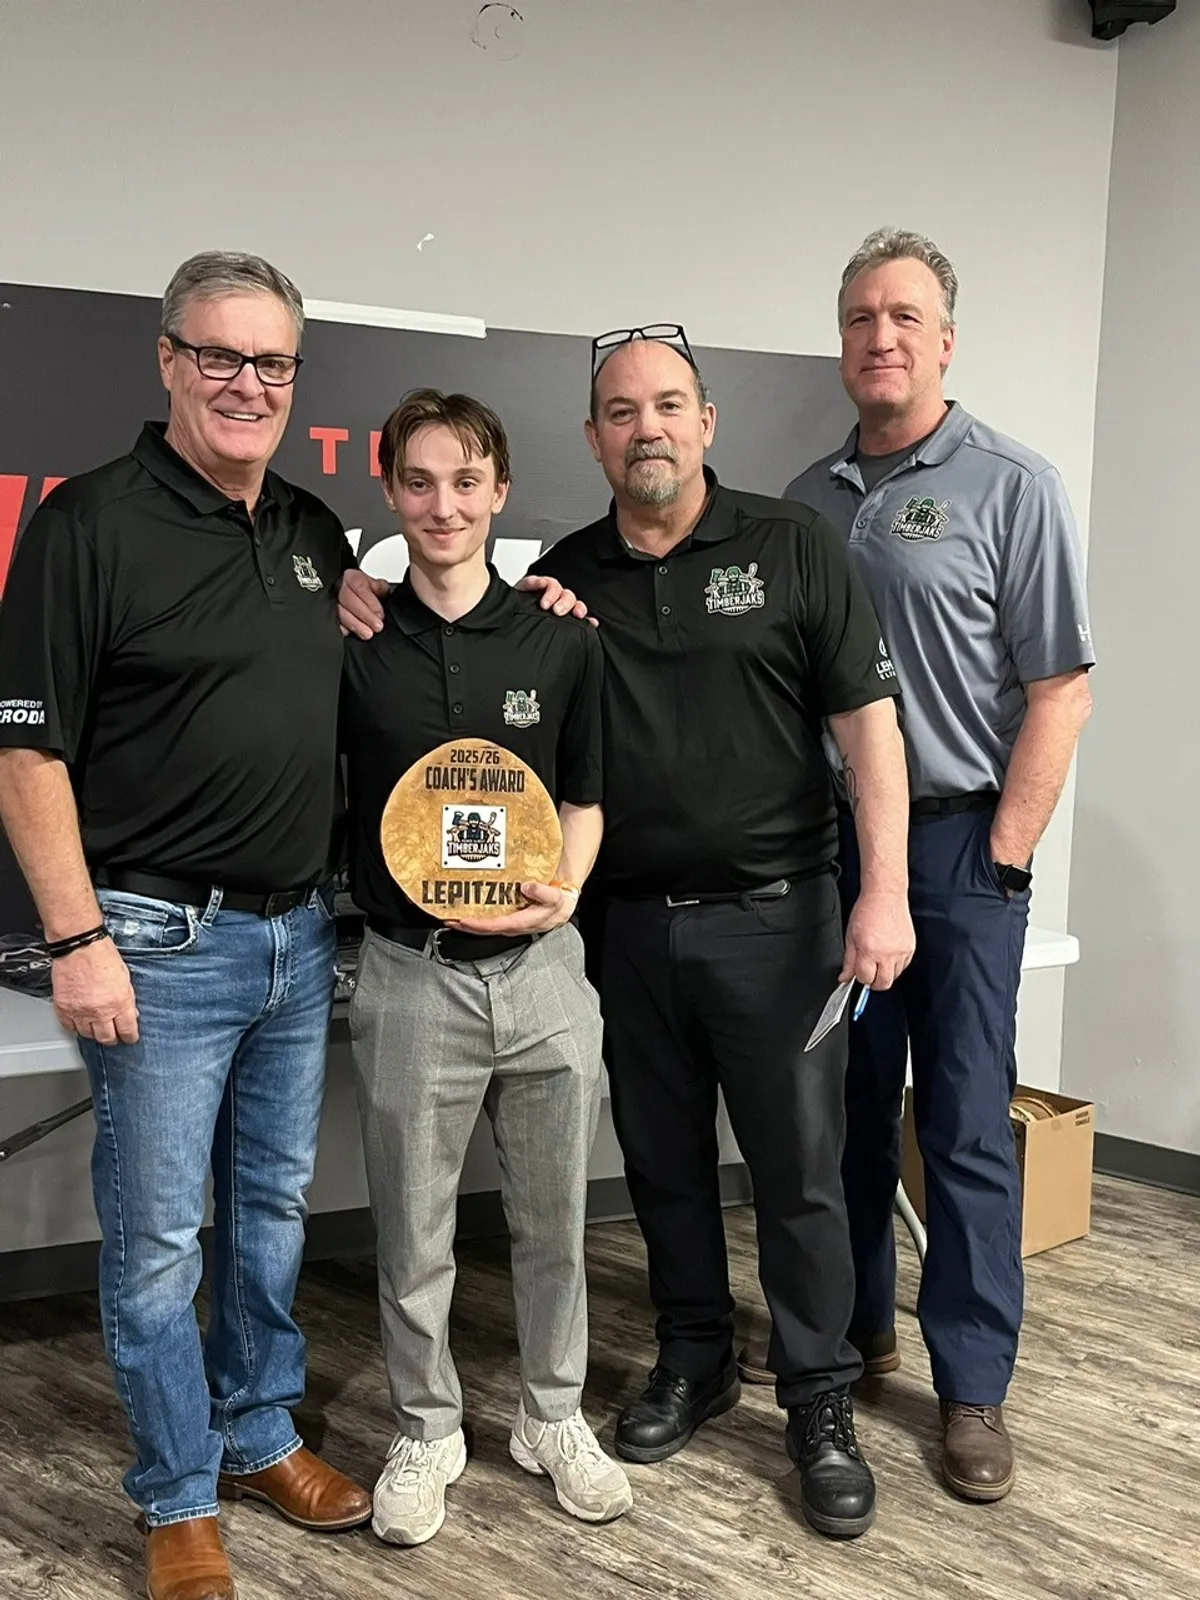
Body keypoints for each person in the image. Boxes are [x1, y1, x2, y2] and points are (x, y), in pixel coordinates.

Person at [343, 327, 915, 1540]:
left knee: (801, 1176)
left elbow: (868, 725)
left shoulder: (793, 544)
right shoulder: (566, 581)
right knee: (658, 1169)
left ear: (705, 420)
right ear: (593, 438)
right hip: (628, 931)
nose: (645, 426)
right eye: (619, 410)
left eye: (667, 404)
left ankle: (816, 1400)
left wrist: (885, 891)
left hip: (781, 914)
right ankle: (693, 1358)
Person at [0, 251, 375, 1600]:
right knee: (159, 1236)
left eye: (270, 362)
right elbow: (26, 754)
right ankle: (173, 1494)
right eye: (218, 356)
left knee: (270, 1211)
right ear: (167, 361)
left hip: (295, 939)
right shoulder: (87, 523)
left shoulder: (313, 529)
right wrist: (77, 937)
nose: (246, 384)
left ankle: (259, 1431)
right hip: (156, 940)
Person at [784, 228, 1094, 1504]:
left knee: (963, 1123)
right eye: (860, 317)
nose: (881, 337)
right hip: (843, 846)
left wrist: (1004, 859)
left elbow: (1059, 688)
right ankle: (860, 1328)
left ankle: (972, 1388)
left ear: (946, 339)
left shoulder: (1012, 483)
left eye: (905, 316)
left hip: (963, 845)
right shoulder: (806, 501)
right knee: (846, 1111)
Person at [340, 388, 632, 1547]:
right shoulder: (355, 643)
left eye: (466, 482)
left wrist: (570, 881)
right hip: (410, 973)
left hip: (545, 969)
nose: (443, 504)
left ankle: (550, 1417)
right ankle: (427, 1428)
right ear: (391, 489)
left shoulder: (563, 635)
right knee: (414, 1229)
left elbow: (588, 795)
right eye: (420, 481)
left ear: (501, 490)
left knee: (556, 1220)